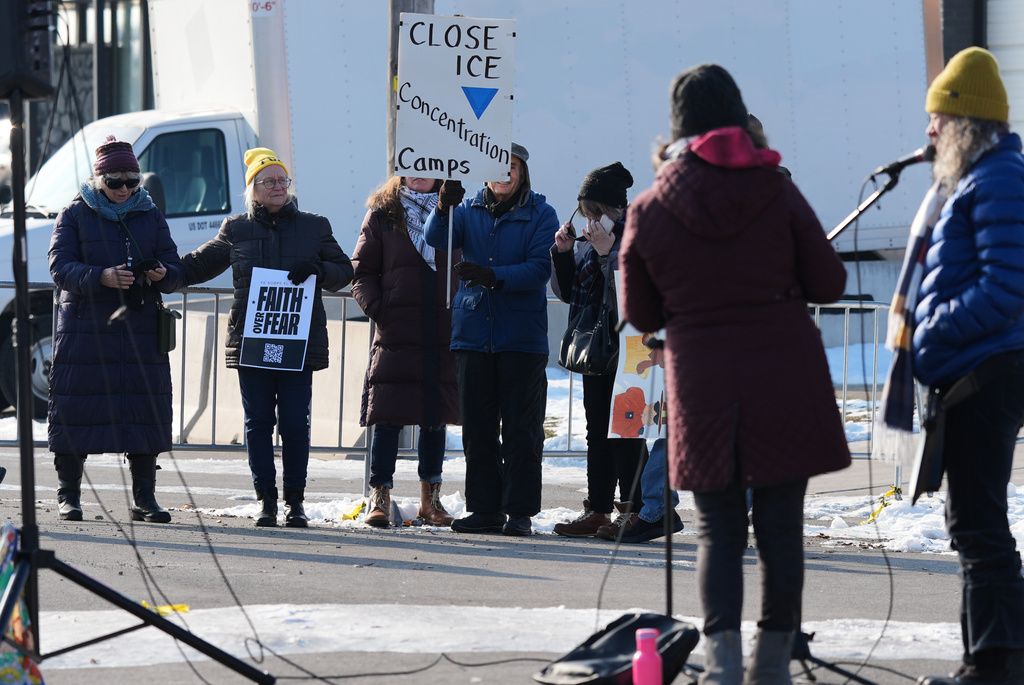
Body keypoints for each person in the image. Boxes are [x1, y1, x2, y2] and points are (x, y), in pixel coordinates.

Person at [619, 64, 851, 685]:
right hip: (785, 375)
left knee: (716, 530)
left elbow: (639, 312)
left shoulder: (649, 206)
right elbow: (830, 281)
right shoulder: (776, 190)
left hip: (703, 382)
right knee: (780, 528)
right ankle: (769, 667)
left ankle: (721, 666)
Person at [908, 48, 1024, 685]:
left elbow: (1007, 287)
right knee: (975, 525)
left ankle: (993, 666)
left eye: (935, 118)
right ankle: (989, 661)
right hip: (977, 373)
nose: (928, 130)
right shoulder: (986, 175)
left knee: (979, 528)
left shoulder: (999, 178)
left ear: (964, 121)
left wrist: (934, 329)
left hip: (985, 373)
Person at [181, 148, 353, 528]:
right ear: (253, 190)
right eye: (268, 181)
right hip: (252, 341)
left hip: (299, 342)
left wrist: (319, 270)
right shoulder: (236, 229)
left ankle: (295, 502)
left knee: (295, 422)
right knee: (258, 422)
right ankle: (266, 502)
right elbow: (197, 265)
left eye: (282, 180)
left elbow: (345, 270)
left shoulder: (314, 226)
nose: (278, 187)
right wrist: (160, 271)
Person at [48, 135, 185, 523]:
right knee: (77, 410)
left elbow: (174, 266)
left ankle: (145, 497)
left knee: (143, 410)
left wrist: (163, 274)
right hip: (85, 331)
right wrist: (101, 276)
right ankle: (69, 495)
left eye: (131, 181)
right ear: (98, 180)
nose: (124, 189)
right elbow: (59, 266)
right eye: (114, 182)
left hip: (140, 329)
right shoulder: (74, 213)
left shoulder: (151, 213)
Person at [424, 143, 556, 537]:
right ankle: (484, 509)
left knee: (521, 428)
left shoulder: (541, 214)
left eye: (511, 167)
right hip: (474, 334)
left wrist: (492, 276)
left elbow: (539, 268)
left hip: (521, 338)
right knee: (477, 428)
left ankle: (519, 511)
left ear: (522, 172)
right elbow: (438, 239)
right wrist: (442, 205)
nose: (504, 174)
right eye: (497, 167)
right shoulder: (467, 210)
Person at [351, 175, 460, 528]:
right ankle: (379, 495)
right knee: (387, 413)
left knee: (435, 416)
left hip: (443, 327)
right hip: (397, 327)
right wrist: (380, 309)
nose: (419, 173)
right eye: (412, 165)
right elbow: (362, 271)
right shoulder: (383, 212)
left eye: (426, 166)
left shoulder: (457, 210)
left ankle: (431, 498)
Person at [549, 162, 649, 539]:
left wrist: (610, 255)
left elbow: (633, 293)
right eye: (584, 212)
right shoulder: (592, 245)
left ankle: (635, 509)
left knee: (627, 430)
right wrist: (562, 253)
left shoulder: (636, 237)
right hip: (597, 350)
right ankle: (599, 508)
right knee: (597, 431)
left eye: (594, 213)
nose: (588, 220)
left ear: (613, 211)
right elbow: (570, 293)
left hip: (631, 349)